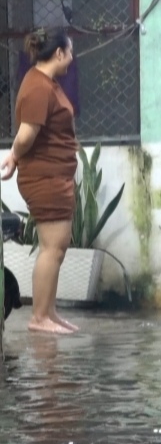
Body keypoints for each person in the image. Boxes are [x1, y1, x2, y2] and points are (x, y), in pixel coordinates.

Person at [0, 27, 79, 335]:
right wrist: (14, 156)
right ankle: (39, 317)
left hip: (55, 175)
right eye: (69, 52)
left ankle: (50, 312)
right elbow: (26, 135)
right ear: (58, 53)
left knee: (57, 248)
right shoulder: (37, 87)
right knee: (52, 247)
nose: (71, 58)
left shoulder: (46, 83)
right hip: (45, 178)